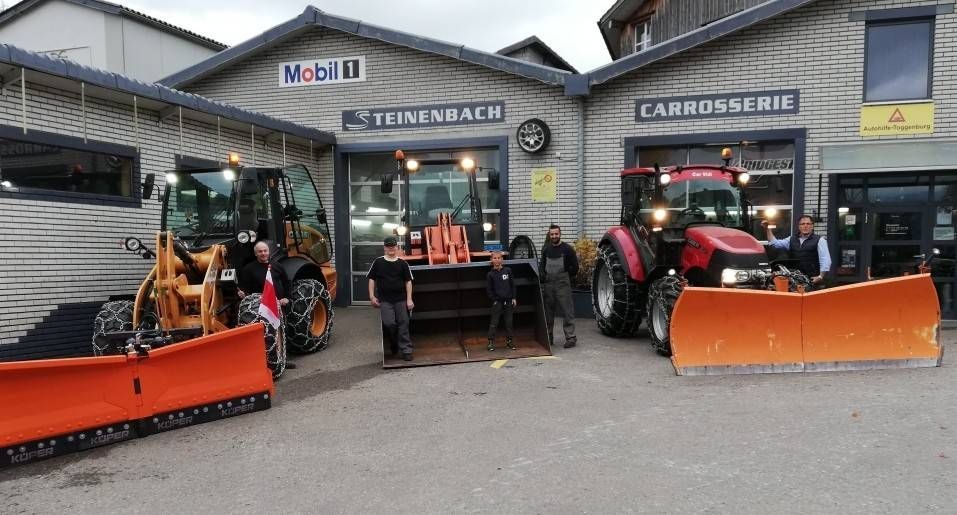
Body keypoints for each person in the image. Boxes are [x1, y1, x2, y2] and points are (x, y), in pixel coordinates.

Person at [238, 240, 295, 369]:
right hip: (260, 307)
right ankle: (265, 362)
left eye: (265, 251)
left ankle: (283, 360)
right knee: (265, 335)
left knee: (281, 331)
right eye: (260, 251)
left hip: (278, 305)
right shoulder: (248, 269)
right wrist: (242, 293)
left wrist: (287, 297)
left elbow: (287, 283)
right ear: (255, 254)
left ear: (269, 252)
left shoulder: (277, 266)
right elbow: (244, 288)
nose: (263, 253)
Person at [367, 236, 415, 361]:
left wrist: (409, 299)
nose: (391, 249)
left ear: (397, 247)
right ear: (384, 248)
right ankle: (393, 343)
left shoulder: (403, 263)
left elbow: (408, 282)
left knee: (404, 322)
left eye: (393, 246)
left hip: (401, 299)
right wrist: (372, 296)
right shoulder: (378, 262)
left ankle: (406, 350)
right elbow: (372, 279)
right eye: (388, 247)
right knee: (389, 323)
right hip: (385, 300)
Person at [764, 215, 832, 287]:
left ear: (812, 226)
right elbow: (774, 243)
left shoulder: (820, 240)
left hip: (813, 280)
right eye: (802, 224)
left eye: (808, 224)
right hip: (796, 280)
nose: (805, 226)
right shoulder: (791, 239)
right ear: (799, 226)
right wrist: (767, 228)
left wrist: (820, 277)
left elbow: (825, 260)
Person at [540, 224, 578, 348]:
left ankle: (570, 337)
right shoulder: (546, 249)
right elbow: (542, 265)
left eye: (556, 234)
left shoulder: (567, 249)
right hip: (549, 283)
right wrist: (543, 277)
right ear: (549, 235)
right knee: (548, 312)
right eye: (552, 234)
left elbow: (575, 267)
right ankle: (548, 337)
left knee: (567, 311)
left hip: (563, 282)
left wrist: (567, 276)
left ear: (560, 234)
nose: (554, 236)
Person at [486, 251, 517, 352]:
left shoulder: (508, 270)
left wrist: (513, 298)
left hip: (508, 301)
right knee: (494, 322)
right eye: (494, 258)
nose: (497, 260)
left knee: (509, 322)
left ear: (502, 259)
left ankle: (509, 342)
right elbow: (489, 290)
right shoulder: (490, 274)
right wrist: (494, 300)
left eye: (499, 258)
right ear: (491, 260)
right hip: (497, 302)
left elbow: (512, 285)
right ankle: (490, 342)